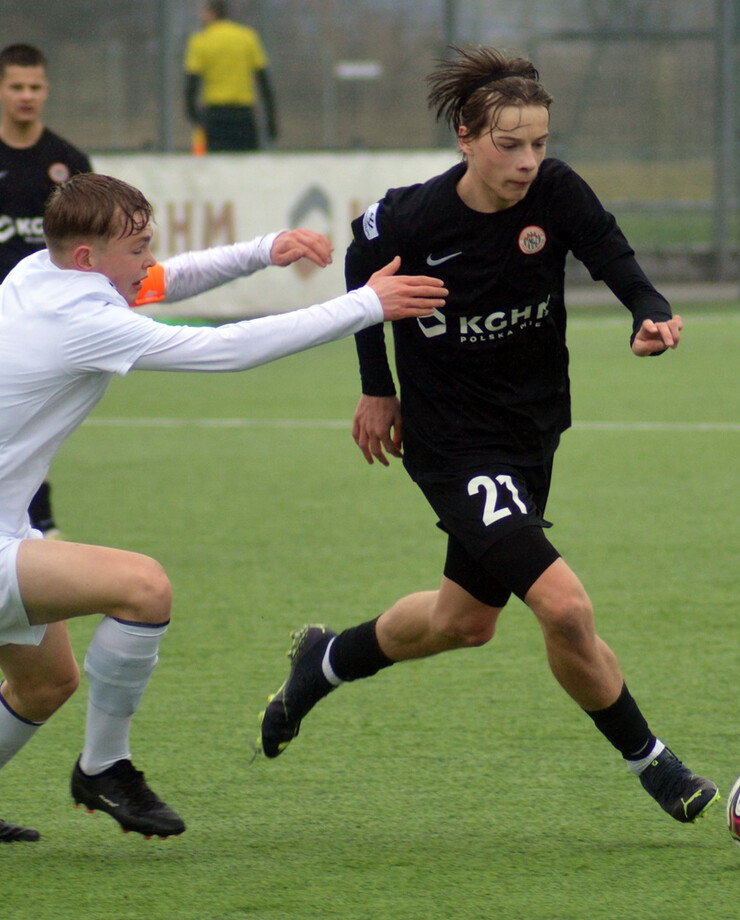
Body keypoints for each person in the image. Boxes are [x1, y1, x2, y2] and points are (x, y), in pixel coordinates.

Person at [258, 45, 720, 826]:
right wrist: (378, 386)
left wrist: (648, 310)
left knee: (462, 622)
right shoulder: (414, 215)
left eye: (539, 143)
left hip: (532, 431)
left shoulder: (559, 193)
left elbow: (612, 255)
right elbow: (361, 264)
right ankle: (656, 764)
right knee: (565, 608)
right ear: (466, 139)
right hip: (451, 442)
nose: (527, 160)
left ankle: (323, 661)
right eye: (510, 145)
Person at [0, 172, 447, 843]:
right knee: (143, 589)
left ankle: (101, 765)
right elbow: (225, 350)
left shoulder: (44, 270)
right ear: (88, 258)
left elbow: (162, 281)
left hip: (11, 523)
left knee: (45, 682)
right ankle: (105, 767)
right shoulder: (83, 319)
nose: (150, 261)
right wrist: (365, 304)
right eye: (138, 248)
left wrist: (264, 249)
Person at [0, 43, 93, 539]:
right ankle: (40, 528)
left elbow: (95, 244)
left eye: (35, 87)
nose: (26, 96)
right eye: (16, 86)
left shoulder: (66, 162)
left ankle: (38, 526)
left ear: (47, 89)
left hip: (48, 324)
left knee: (31, 428)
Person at [184, 0, 277, 152]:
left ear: (211, 14)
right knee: (247, 167)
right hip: (243, 116)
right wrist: (271, 121)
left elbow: (191, 87)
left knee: (217, 168)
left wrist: (196, 118)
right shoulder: (248, 37)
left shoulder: (200, 41)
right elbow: (264, 83)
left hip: (215, 117)